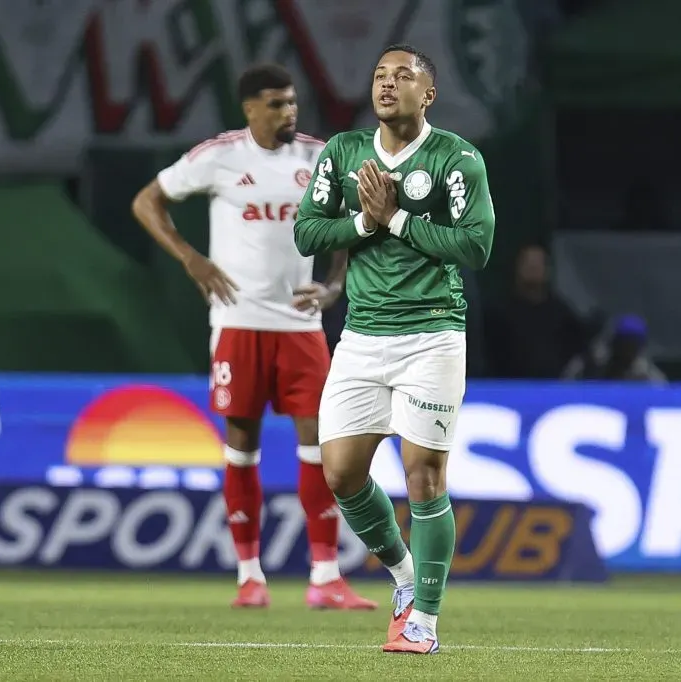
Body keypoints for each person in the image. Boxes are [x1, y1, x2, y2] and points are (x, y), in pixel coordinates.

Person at [131, 63, 376, 611]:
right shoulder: (219, 156)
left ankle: (325, 576)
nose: (289, 112)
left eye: (292, 102)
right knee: (242, 448)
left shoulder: (318, 157)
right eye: (276, 104)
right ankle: (249, 576)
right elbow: (146, 201)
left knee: (320, 446)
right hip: (238, 323)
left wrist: (335, 284)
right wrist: (190, 258)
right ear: (250, 109)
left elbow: (352, 221)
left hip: (300, 325)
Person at [293, 44, 495, 654]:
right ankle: (405, 577)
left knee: (424, 476)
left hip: (432, 333)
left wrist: (398, 217)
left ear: (427, 94)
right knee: (340, 472)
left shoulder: (457, 158)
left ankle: (424, 621)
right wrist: (365, 222)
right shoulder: (343, 153)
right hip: (361, 336)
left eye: (402, 76)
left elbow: (477, 247)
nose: (387, 84)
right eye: (380, 74)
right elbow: (306, 231)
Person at [485, 244, 589, 378]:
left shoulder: (561, 314)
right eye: (528, 264)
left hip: (553, 385)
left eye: (538, 264)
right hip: (509, 385)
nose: (533, 268)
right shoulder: (498, 314)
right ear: (517, 268)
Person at [563, 314, 668, 384]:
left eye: (632, 344)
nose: (627, 349)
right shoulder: (591, 364)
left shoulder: (647, 375)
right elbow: (566, 386)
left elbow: (661, 396)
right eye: (624, 342)